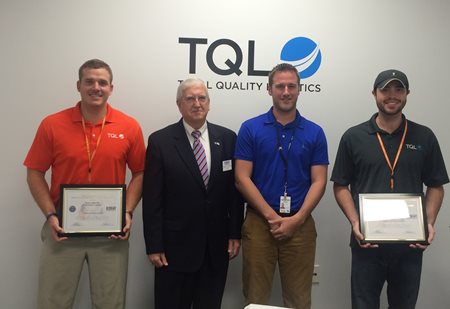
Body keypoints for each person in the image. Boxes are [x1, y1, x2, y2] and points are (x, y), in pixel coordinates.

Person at [24, 59, 146, 309]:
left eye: (102, 82)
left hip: (111, 234)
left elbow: (140, 173)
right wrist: (50, 214)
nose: (96, 87)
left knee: (110, 303)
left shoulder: (129, 126)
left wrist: (127, 212)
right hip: (62, 230)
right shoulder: (52, 124)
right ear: (78, 85)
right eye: (89, 81)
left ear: (111, 88)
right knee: (52, 302)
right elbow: (35, 172)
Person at [331, 69, 449, 309]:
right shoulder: (353, 137)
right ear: (374, 93)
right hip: (366, 244)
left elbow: (436, 185)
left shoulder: (424, 136)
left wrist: (428, 223)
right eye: (385, 89)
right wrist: (355, 223)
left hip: (410, 246)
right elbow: (340, 185)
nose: (392, 95)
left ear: (407, 94)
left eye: (398, 89)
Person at [142, 78, 244, 309]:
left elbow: (234, 194)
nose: (197, 104)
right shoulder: (160, 141)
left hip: (216, 248)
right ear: (179, 104)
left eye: (202, 98)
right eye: (190, 99)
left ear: (209, 103)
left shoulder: (228, 139)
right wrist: (154, 244)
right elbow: (152, 199)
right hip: (174, 249)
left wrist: (234, 232)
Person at [234, 63, 329, 309]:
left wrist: (296, 220)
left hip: (301, 224)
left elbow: (319, 180)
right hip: (258, 223)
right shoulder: (250, 128)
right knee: (255, 298)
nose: (286, 91)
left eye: (291, 86)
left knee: (299, 300)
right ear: (269, 90)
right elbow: (241, 178)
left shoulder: (315, 132)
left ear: (299, 90)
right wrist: (272, 217)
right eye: (280, 86)